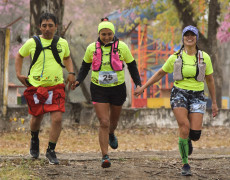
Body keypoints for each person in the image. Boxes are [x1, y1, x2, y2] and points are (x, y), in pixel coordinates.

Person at [134, 25, 218, 176]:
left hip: (198, 94)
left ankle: (188, 140)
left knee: (195, 134)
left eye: (193, 35)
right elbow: (160, 73)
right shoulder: (175, 57)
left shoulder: (204, 57)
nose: (190, 37)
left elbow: (210, 80)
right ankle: (185, 164)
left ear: (196, 38)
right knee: (184, 126)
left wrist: (215, 102)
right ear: (183, 37)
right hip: (179, 93)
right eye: (187, 35)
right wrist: (143, 87)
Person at [72, 17, 142, 168]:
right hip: (99, 88)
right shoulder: (92, 48)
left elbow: (132, 66)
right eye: (103, 34)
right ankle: (105, 156)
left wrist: (138, 83)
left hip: (118, 89)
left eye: (109, 34)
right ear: (99, 34)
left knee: (113, 122)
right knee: (104, 122)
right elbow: (84, 66)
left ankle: (111, 133)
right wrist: (78, 80)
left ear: (113, 33)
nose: (106, 37)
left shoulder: (122, 47)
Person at [15, 13, 76, 165]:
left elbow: (67, 58)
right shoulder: (32, 42)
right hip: (36, 87)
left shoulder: (62, 43)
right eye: (44, 26)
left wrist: (71, 73)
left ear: (56, 27)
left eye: (50, 25)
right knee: (37, 118)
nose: (47, 29)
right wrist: (18, 74)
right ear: (39, 27)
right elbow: (19, 55)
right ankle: (34, 139)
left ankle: (51, 150)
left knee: (57, 119)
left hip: (56, 87)